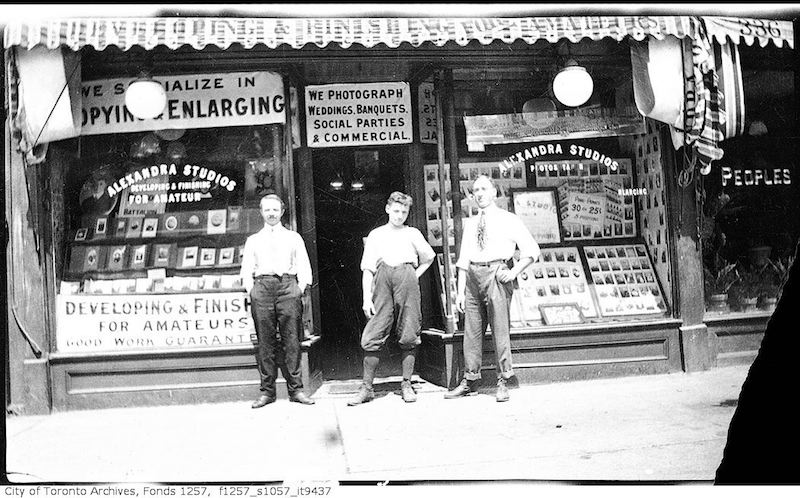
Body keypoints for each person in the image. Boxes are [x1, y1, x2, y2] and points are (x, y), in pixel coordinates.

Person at [444, 175, 540, 402]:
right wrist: (460, 289)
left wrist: (513, 272)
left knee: (499, 330)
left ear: (494, 192)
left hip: (497, 274)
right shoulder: (470, 223)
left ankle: (503, 380)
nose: (479, 194)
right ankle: (470, 379)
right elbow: (464, 259)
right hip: (473, 279)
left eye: (484, 189)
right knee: (472, 331)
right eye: (475, 190)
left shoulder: (509, 219)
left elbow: (532, 251)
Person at [348, 191, 435, 406]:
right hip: (382, 278)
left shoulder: (412, 233)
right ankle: (367, 387)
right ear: (388, 209)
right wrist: (366, 298)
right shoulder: (377, 234)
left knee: (409, 330)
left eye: (404, 212)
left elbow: (429, 257)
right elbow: (367, 269)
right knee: (375, 329)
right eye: (396, 211)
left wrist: (413, 275)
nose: (399, 215)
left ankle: (406, 384)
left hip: (406, 277)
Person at [240, 194, 315, 408]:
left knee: (292, 340)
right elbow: (246, 270)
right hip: (262, 288)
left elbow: (304, 267)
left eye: (275, 210)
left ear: (282, 212)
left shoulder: (293, 238)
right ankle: (267, 391)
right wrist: (252, 290)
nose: (271, 213)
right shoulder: (253, 240)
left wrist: (298, 289)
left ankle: (297, 389)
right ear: (261, 212)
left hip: (288, 287)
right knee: (266, 341)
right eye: (267, 210)